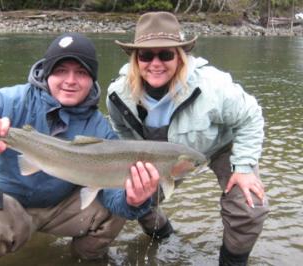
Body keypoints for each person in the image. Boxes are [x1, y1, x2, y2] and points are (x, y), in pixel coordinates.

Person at [0, 32, 161, 266]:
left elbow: (112, 195)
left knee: (116, 209)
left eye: (81, 72)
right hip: (7, 199)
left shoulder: (98, 126)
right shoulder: (8, 100)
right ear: (47, 72)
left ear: (92, 79)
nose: (70, 80)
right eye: (61, 70)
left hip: (62, 206)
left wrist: (133, 200)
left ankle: (88, 258)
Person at [106, 12, 269, 265]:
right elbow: (121, 131)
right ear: (136, 59)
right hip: (161, 154)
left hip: (223, 145)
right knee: (137, 195)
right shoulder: (118, 95)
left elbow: (251, 116)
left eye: (166, 54)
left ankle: (233, 261)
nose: (155, 63)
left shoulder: (213, 86)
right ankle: (163, 235)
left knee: (250, 206)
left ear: (180, 56)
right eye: (146, 55)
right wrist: (135, 163)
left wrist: (245, 167)